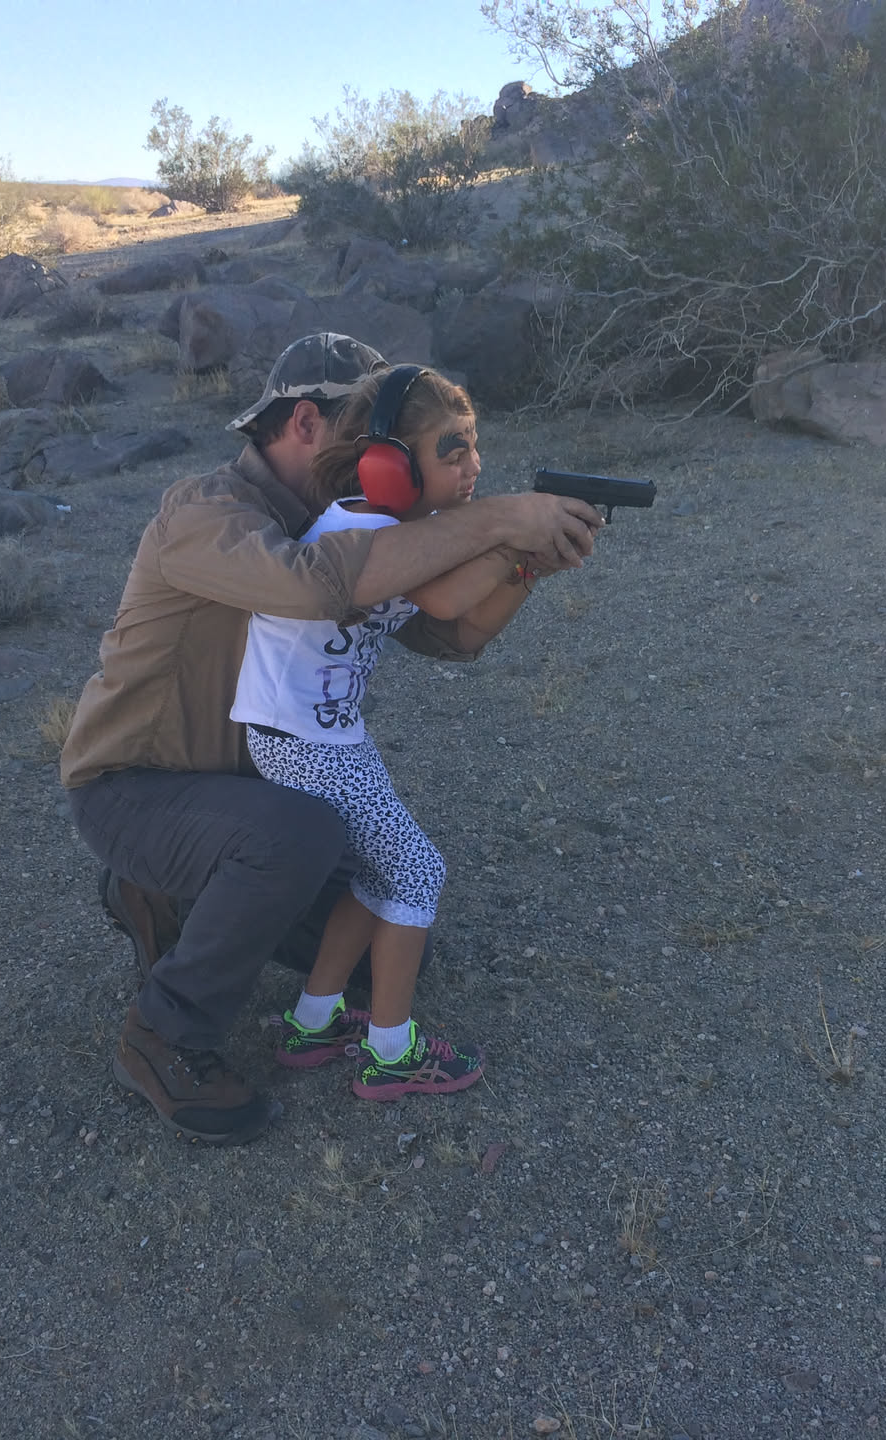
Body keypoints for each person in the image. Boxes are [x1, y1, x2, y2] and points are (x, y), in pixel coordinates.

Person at [58, 334, 602, 1146]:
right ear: (307, 423)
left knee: (390, 933)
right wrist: (502, 517)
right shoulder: (205, 513)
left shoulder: (350, 525)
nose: (382, 450)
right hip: (137, 788)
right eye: (368, 429)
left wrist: (524, 563)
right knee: (300, 839)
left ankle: (177, 900)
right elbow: (312, 585)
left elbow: (450, 637)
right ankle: (163, 1034)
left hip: (256, 792)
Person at [237, 366, 532, 1101]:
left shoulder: (397, 529)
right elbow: (446, 598)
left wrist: (530, 562)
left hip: (321, 737)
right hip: (303, 742)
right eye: (453, 451)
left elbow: (465, 626)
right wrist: (515, 532)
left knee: (380, 877)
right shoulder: (363, 529)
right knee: (419, 872)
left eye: (473, 448)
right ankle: (391, 1055)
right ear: (388, 465)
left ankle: (314, 1021)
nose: (474, 466)